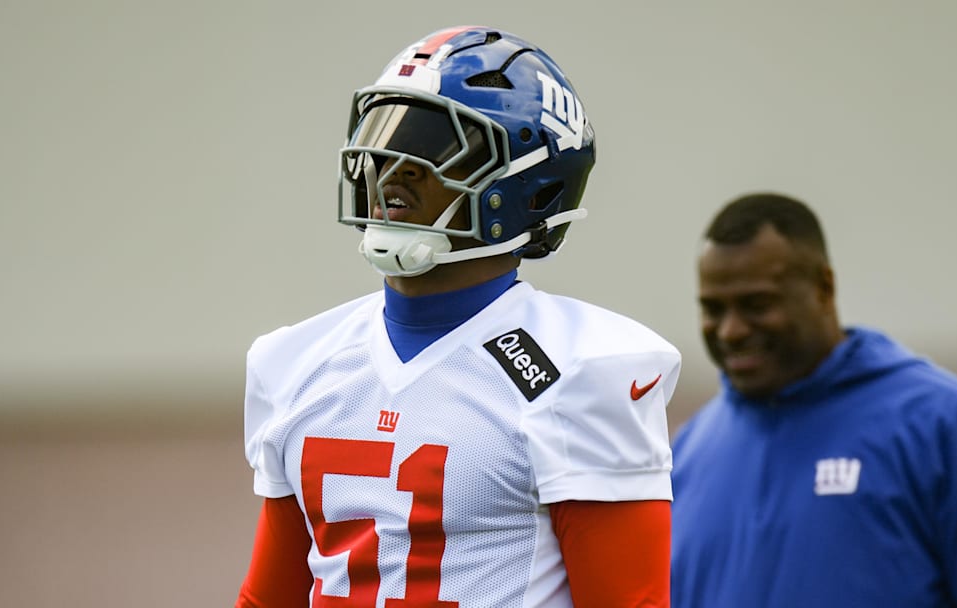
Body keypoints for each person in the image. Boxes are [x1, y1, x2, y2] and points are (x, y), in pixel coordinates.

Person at [234, 26, 681, 607]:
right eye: (387, 136)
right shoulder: (294, 361)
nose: (393, 166)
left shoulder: (584, 369)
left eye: (435, 145)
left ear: (528, 183)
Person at [670, 192, 957, 607]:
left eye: (756, 304)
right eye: (713, 309)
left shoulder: (947, 425)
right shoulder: (685, 454)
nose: (730, 331)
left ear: (823, 288)